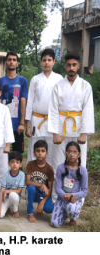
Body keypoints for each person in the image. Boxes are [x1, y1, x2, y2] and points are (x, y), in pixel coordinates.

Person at [48, 53, 94, 203]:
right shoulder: (58, 86)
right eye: (68, 65)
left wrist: (84, 132)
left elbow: (88, 110)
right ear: (65, 66)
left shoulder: (85, 86)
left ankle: (77, 200)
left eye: (74, 65)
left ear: (78, 66)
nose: (71, 68)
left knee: (80, 165)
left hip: (79, 128)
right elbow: (53, 109)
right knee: (58, 163)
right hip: (61, 129)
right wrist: (54, 132)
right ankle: (57, 200)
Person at [25, 49, 63, 165]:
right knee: (34, 150)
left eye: (49, 60)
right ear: (41, 62)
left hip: (53, 120)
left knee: (52, 152)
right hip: (37, 119)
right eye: (44, 60)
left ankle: (51, 181)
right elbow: (30, 102)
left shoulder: (59, 79)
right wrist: (28, 125)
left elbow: (61, 103)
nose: (47, 62)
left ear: (54, 62)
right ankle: (31, 180)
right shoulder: (35, 79)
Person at [51, 141, 88, 228]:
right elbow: (58, 187)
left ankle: (73, 217)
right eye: (69, 152)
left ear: (79, 155)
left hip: (74, 199)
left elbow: (84, 191)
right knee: (54, 224)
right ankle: (64, 213)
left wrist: (72, 195)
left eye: (75, 152)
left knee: (71, 208)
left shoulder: (82, 170)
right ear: (66, 153)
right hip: (62, 198)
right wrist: (64, 196)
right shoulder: (61, 168)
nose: (72, 155)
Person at [0, 52, 28, 154]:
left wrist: (22, 123)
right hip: (3, 125)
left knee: (17, 155)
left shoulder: (22, 81)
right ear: (5, 63)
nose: (12, 62)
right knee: (2, 154)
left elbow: (23, 102)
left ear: (17, 64)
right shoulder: (0, 81)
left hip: (17, 125)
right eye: (9, 59)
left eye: (14, 60)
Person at [25, 140, 54, 223]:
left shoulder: (49, 168)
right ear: (34, 153)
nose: (40, 153)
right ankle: (30, 213)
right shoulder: (30, 164)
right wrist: (41, 185)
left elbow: (50, 189)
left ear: (46, 153)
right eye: (37, 151)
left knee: (49, 209)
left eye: (43, 151)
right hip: (32, 193)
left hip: (42, 194)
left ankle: (61, 211)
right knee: (31, 188)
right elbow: (28, 182)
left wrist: (42, 203)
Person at [0, 151, 25, 219]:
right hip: (5, 199)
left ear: (20, 164)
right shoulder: (6, 174)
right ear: (8, 163)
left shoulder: (22, 175)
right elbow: (1, 191)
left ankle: (16, 210)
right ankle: (7, 207)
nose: (15, 164)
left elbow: (19, 191)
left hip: (15, 197)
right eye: (12, 162)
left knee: (13, 194)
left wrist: (7, 191)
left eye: (17, 162)